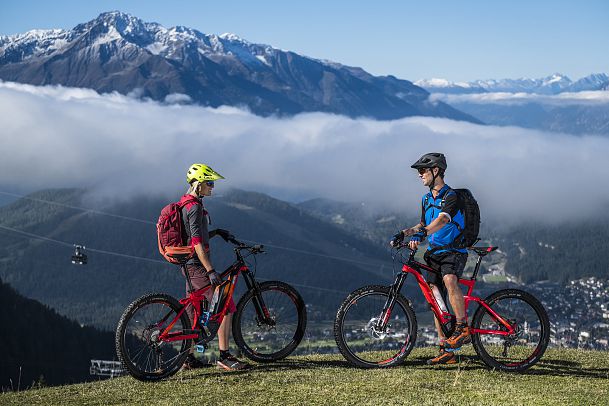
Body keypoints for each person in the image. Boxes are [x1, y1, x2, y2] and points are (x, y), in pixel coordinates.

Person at [391, 152, 470, 365]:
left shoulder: (452, 197)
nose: (419, 175)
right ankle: (447, 349)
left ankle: (462, 327)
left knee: (449, 280)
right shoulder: (426, 199)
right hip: (434, 253)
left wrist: (423, 233)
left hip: (454, 251)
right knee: (436, 301)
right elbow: (422, 223)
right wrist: (405, 233)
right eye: (419, 172)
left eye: (422, 170)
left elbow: (443, 220)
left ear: (436, 171)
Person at [179, 163, 247, 371]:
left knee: (194, 312)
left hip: (188, 266)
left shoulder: (186, 203)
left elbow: (194, 236)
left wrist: (216, 232)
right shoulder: (194, 207)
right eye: (209, 182)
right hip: (197, 266)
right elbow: (196, 243)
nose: (212, 187)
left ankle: (188, 358)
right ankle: (225, 357)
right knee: (226, 306)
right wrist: (209, 270)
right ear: (198, 184)